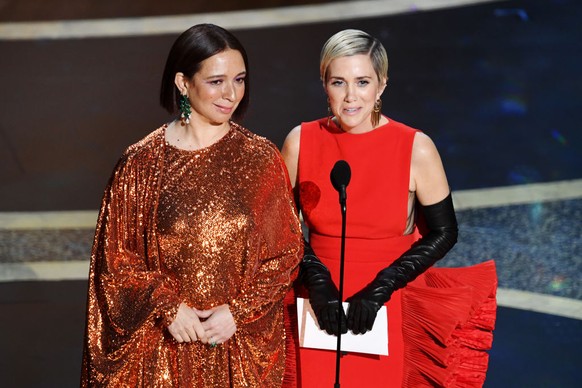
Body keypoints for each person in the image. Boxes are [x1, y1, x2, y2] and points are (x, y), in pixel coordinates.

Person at [81, 23, 303, 387]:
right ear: (183, 83)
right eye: (216, 81)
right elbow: (115, 261)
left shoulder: (261, 158)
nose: (231, 93)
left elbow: (286, 252)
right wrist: (167, 308)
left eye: (240, 79)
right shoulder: (140, 163)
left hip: (235, 347)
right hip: (161, 353)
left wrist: (238, 312)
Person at [282, 29, 497, 387]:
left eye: (363, 82)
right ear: (324, 84)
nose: (351, 96)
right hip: (316, 308)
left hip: (389, 303)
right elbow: (281, 226)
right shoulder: (300, 141)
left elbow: (444, 231)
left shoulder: (416, 147)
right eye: (339, 82)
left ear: (382, 85)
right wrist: (317, 282)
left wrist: (384, 285)